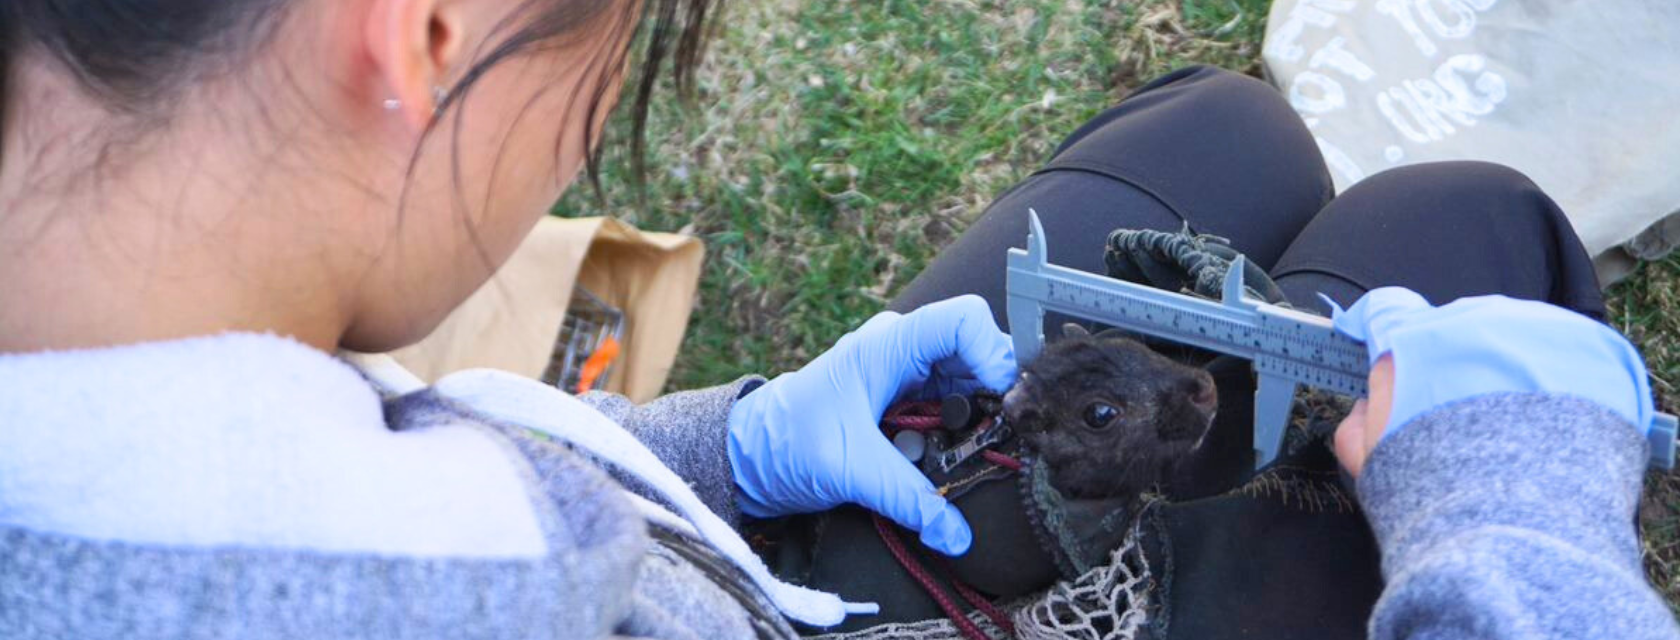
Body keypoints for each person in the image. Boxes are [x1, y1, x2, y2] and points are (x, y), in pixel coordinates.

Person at [0, 0, 1670, 636]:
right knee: (1474, 230)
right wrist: (1512, 509)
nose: (600, 100)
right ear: (431, 29)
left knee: (1223, 139)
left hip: (731, 574)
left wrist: (708, 453)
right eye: (617, 43)